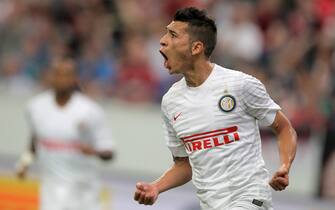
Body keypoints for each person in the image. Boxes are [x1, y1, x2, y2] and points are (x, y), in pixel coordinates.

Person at [134, 7, 297, 210]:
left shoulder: (240, 85)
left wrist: (284, 166)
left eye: (173, 35)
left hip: (249, 199)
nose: (163, 40)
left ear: (196, 48)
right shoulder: (171, 101)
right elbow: (185, 164)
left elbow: (283, 127)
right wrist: (156, 187)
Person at [15, 58, 115, 210]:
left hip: (83, 191)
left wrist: (93, 151)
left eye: (66, 74)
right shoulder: (36, 107)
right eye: (57, 74)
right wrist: (24, 163)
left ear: (75, 79)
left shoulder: (90, 111)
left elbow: (109, 153)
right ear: (51, 76)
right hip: (51, 191)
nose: (61, 79)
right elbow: (35, 141)